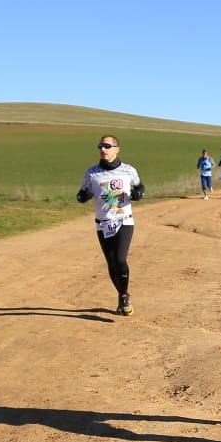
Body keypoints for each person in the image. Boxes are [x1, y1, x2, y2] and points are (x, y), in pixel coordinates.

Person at [76, 135, 144, 315]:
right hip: (103, 224)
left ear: (117, 149)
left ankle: (123, 297)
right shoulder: (92, 173)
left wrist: (138, 194)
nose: (103, 149)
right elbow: (84, 191)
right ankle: (123, 295)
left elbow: (140, 187)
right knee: (111, 263)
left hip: (124, 220)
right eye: (100, 146)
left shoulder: (128, 170)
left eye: (107, 146)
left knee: (120, 259)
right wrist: (82, 196)